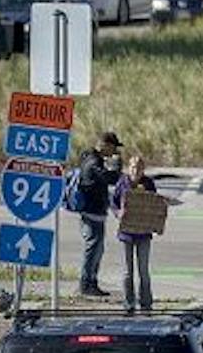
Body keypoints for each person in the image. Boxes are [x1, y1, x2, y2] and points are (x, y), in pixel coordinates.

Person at [111, 152, 177, 312]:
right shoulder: (123, 183)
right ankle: (129, 303)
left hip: (144, 234)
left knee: (143, 271)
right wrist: (117, 212)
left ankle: (146, 303)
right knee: (127, 272)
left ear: (143, 169)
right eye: (134, 167)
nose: (136, 170)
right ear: (129, 168)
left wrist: (159, 219)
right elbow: (113, 202)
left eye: (140, 167)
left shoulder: (148, 183)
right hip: (126, 233)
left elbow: (155, 202)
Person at [73, 131, 121, 298]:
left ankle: (91, 282)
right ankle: (87, 284)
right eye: (113, 148)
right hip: (91, 212)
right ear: (105, 145)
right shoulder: (94, 162)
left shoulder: (89, 158)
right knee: (93, 248)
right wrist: (116, 165)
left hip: (92, 212)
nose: (114, 152)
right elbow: (111, 178)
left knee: (96, 249)